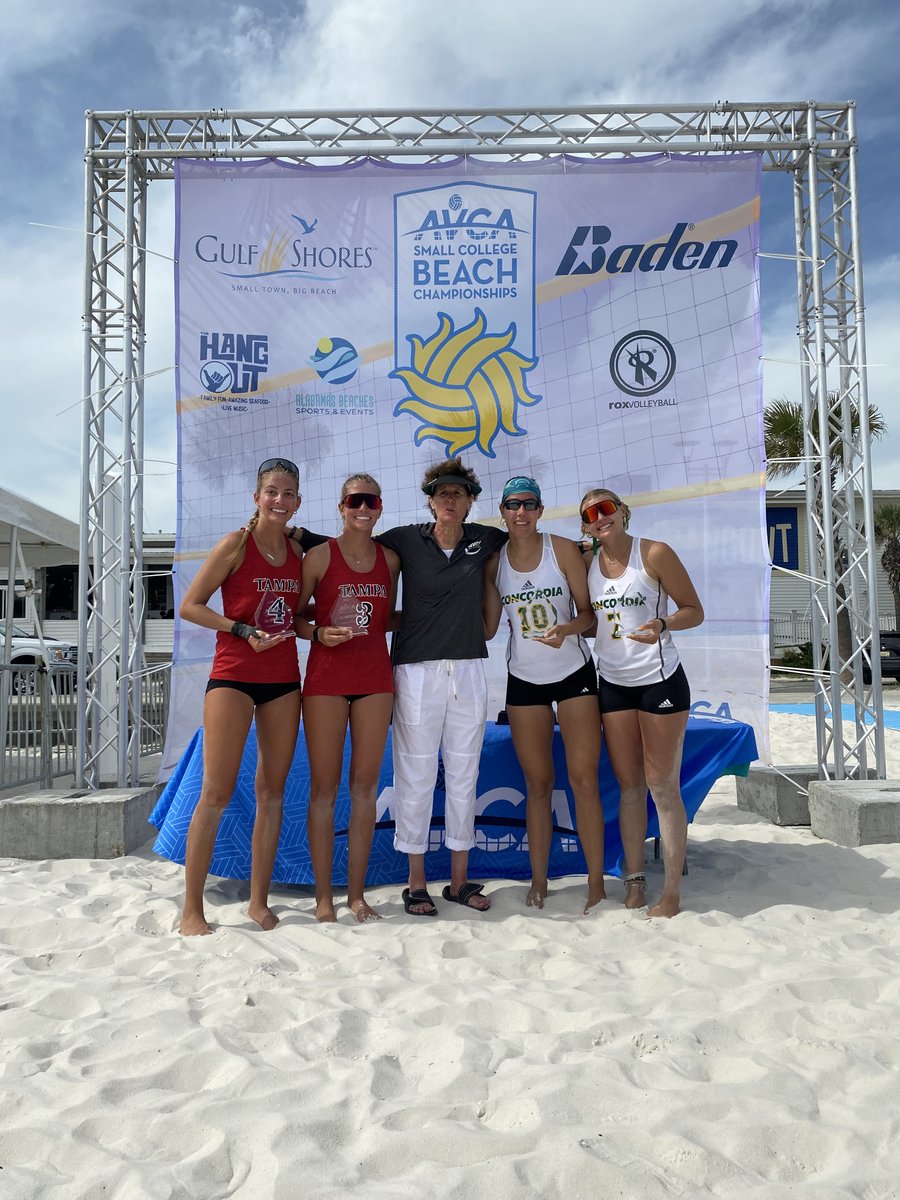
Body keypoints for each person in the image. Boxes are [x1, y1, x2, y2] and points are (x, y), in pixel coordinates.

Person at [177, 458, 306, 936]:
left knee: (272, 793)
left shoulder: (298, 552)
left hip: (283, 680)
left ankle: (257, 902)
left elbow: (296, 613)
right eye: (272, 491)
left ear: (298, 502)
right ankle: (191, 910)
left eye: (288, 493)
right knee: (216, 792)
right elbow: (190, 606)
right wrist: (241, 629)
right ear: (257, 497)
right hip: (233, 676)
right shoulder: (235, 544)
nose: (279, 500)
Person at [376, 458, 507, 916]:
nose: (449, 499)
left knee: (464, 773)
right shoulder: (403, 539)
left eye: (458, 492)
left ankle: (458, 881)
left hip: (468, 668)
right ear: (430, 501)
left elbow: (536, 545)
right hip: (415, 670)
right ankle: (416, 883)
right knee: (414, 773)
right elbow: (349, 548)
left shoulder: (487, 538)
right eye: (441, 492)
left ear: (471, 501)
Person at [580, 487, 704, 918]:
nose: (600, 517)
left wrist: (664, 623)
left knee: (662, 786)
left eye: (606, 508)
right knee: (630, 786)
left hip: (660, 680)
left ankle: (671, 894)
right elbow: (590, 620)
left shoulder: (654, 553)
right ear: (586, 527)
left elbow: (694, 610)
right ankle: (635, 884)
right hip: (613, 683)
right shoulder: (587, 562)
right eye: (590, 515)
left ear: (623, 512)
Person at [484, 476, 606, 914]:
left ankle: (595, 883)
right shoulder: (494, 563)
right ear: (502, 511)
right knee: (538, 784)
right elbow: (487, 628)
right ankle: (539, 881)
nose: (521, 512)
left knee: (584, 780)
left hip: (573, 673)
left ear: (539, 510)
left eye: (529, 504)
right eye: (513, 505)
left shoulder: (563, 550)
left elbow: (589, 616)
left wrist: (566, 629)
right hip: (524, 679)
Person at [294, 474, 400, 924]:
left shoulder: (390, 560)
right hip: (326, 680)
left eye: (370, 501)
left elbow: (385, 618)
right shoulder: (319, 556)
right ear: (341, 507)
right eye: (355, 500)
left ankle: (356, 895)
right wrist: (318, 633)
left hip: (375, 678)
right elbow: (293, 618)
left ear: (380, 507)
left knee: (364, 789)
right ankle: (324, 897)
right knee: (324, 789)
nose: (363, 508)